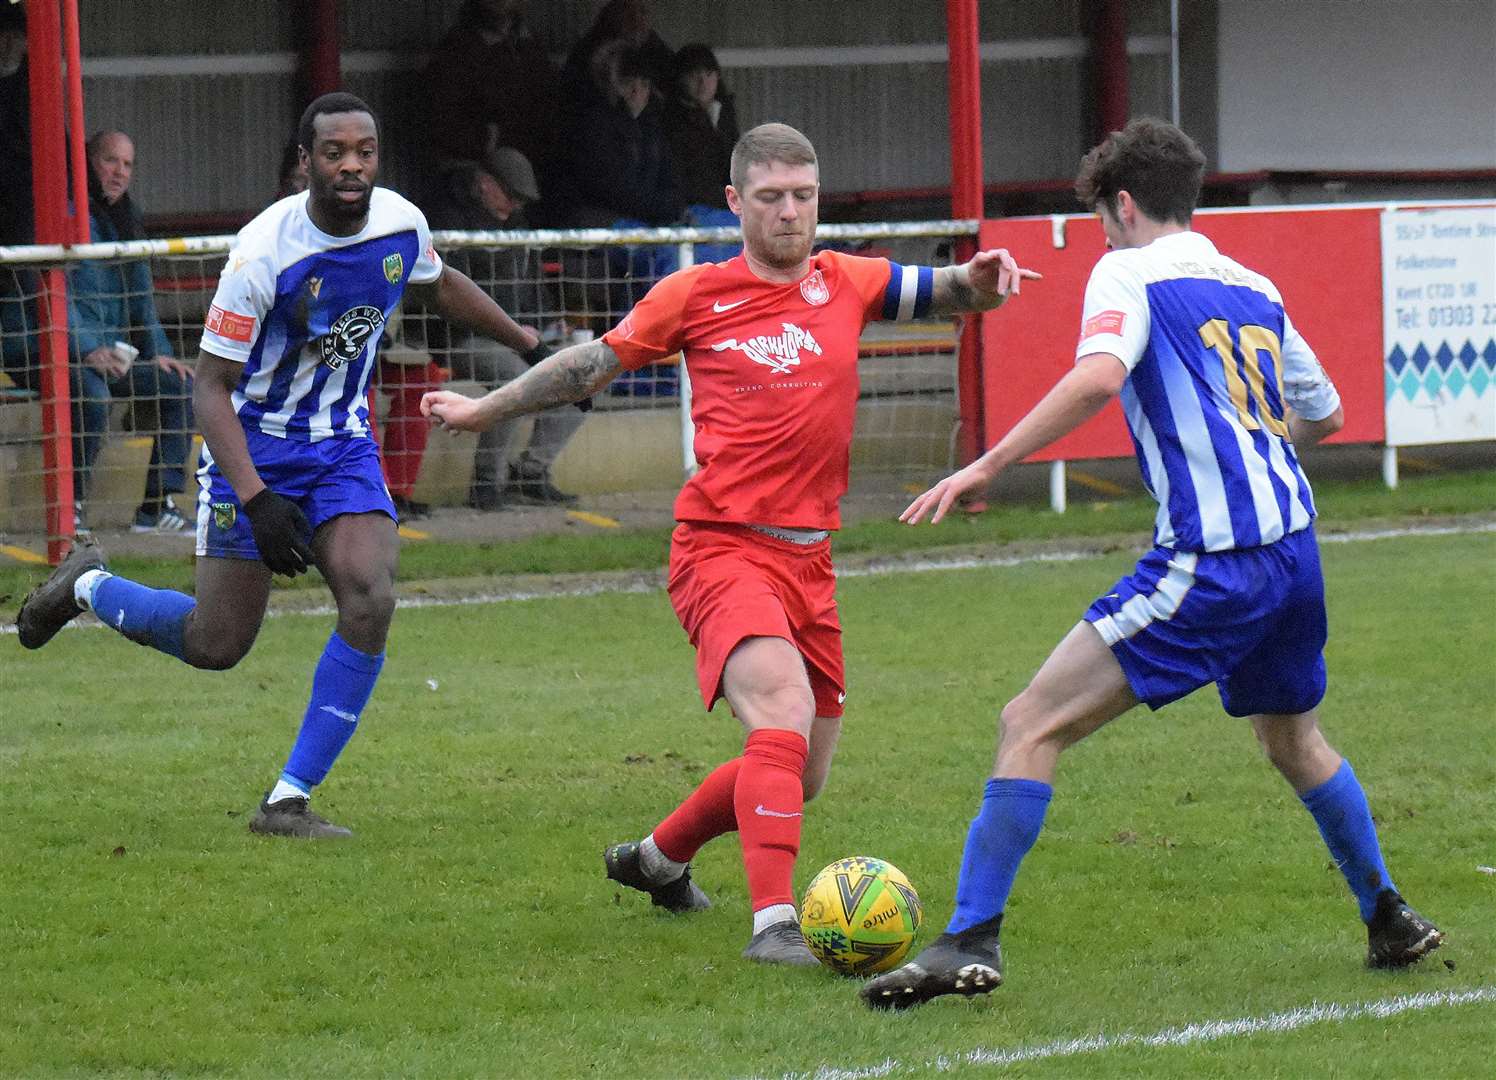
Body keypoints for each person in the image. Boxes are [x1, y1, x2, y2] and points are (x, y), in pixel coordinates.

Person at [859, 118, 1444, 1010]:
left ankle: (968, 939)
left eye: (1101, 215)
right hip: (1295, 555)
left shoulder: (1126, 270)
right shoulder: (1253, 284)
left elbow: (1098, 377)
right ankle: (1388, 916)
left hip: (1214, 563)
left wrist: (985, 464)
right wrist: (1252, 444)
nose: (1102, 229)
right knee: (1294, 738)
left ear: (1123, 205)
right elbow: (1322, 415)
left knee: (1030, 722)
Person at [422, 122, 1038, 965]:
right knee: (780, 714)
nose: (790, 214)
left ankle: (657, 859)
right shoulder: (695, 293)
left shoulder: (847, 279)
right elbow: (586, 368)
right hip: (722, 548)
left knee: (799, 772)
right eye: (771, 198)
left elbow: (952, 291)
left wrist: (984, 277)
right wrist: (479, 409)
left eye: (804, 197)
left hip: (809, 560)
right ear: (734, 203)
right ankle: (774, 927)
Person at [15, 92, 542, 839]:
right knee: (217, 643)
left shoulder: (400, 221)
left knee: (370, 597)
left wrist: (530, 347)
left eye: (365, 150)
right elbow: (208, 388)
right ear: (306, 163)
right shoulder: (263, 254)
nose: (352, 164)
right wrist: (257, 498)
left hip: (342, 445)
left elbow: (438, 281)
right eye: (335, 152)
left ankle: (288, 800)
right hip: (254, 448)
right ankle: (90, 587)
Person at [384, 151, 586, 513]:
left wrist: (547, 323)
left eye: (522, 199)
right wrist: (508, 328)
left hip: (518, 334)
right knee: (515, 379)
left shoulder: (518, 225)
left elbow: (533, 287)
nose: (515, 204)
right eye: (511, 194)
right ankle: (486, 484)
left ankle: (531, 472)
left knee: (583, 371)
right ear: (485, 182)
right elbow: (448, 298)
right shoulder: (445, 218)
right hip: (455, 337)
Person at [66, 131, 196, 533]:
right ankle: (68, 509)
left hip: (116, 358)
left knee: (179, 385)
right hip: (68, 355)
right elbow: (55, 297)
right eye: (110, 161)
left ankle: (156, 507)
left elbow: (142, 300)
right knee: (93, 395)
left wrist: (158, 351)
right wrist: (87, 349)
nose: (119, 172)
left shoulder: (127, 221)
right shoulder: (65, 214)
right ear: (88, 161)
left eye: (127, 164)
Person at [417, 0, 561, 178]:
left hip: (532, 162)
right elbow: (443, 123)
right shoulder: (457, 52)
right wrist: (489, 139)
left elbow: (548, 100)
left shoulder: (528, 45)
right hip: (481, 170)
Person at [662, 44, 739, 213]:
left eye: (709, 74)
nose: (703, 82)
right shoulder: (669, 120)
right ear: (680, 79)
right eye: (693, 75)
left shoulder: (723, 113)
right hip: (691, 207)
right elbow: (684, 179)